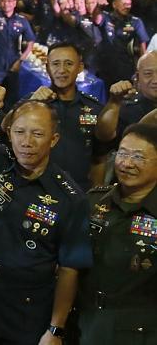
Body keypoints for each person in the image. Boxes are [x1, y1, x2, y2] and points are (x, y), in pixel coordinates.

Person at [0, 90, 93, 344]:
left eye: (37, 134)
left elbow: (69, 268)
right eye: (19, 132)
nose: (26, 141)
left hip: (26, 312)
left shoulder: (70, 197)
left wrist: (56, 329)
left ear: (54, 139)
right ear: (9, 133)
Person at [77, 123, 157, 344]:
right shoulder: (94, 201)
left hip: (142, 331)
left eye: (139, 157)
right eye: (122, 153)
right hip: (87, 322)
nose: (126, 163)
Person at [20, 42, 106, 190]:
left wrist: (95, 197)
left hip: (80, 193)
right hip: (37, 190)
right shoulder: (30, 102)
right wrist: (31, 104)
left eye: (68, 63)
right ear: (47, 68)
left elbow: (99, 159)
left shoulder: (94, 108)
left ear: (80, 67)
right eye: (55, 64)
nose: (62, 70)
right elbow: (5, 129)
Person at [0, 0, 36, 109]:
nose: (6, 4)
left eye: (9, 1)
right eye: (3, 1)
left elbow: (31, 42)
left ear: (14, 3)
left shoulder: (22, 20)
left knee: (12, 97)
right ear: (0, 3)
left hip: (13, 63)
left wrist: (20, 60)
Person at [96, 51, 157, 146]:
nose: (155, 80)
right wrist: (114, 103)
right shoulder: (126, 109)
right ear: (137, 77)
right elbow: (104, 136)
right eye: (148, 74)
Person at [95, 0, 149, 88]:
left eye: (129, 4)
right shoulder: (106, 17)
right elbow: (96, 20)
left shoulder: (135, 21)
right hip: (106, 68)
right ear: (115, 4)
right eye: (124, 4)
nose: (127, 7)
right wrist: (98, 8)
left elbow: (142, 46)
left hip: (127, 68)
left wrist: (142, 68)